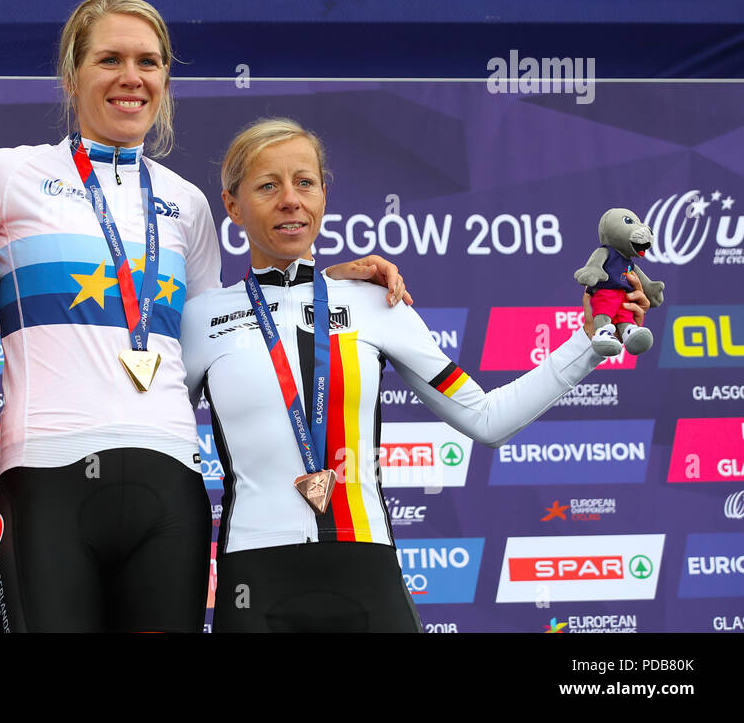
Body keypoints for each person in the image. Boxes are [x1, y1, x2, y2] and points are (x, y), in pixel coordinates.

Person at [0, 0, 408, 632]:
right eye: (109, 59)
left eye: (148, 61)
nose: (131, 77)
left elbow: (225, 332)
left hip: (169, 480)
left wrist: (323, 286)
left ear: (165, 79)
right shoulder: (7, 176)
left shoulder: (186, 205)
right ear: (72, 76)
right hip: (47, 476)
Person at [181, 117, 650, 632]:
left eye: (305, 182)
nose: (291, 199)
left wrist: (586, 343)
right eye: (268, 185)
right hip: (256, 574)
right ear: (232, 206)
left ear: (322, 196)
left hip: (367, 570)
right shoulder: (201, 317)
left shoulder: (377, 302)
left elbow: (487, 418)